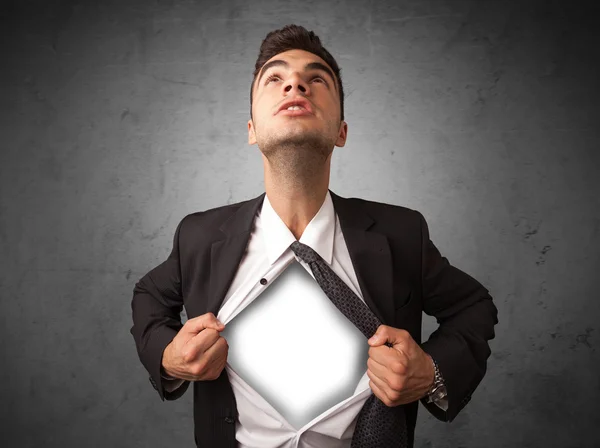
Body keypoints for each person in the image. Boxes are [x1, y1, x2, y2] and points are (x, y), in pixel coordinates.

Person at [130, 24, 499, 448]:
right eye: (275, 77)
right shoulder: (196, 235)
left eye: (316, 78)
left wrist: (431, 371)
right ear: (251, 130)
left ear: (341, 131)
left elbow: (474, 306)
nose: (295, 83)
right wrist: (168, 357)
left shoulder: (402, 234)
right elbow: (148, 296)